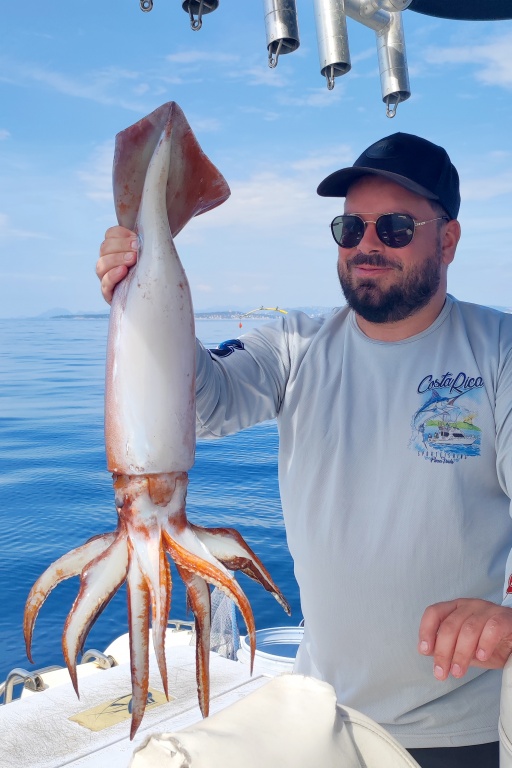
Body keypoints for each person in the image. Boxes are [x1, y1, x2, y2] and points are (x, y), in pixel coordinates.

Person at [96, 132, 512, 768]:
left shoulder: (499, 351)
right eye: (350, 226)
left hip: (464, 731)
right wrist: (136, 290)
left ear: (447, 239)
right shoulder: (295, 347)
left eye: (396, 227)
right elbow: (201, 403)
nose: (367, 244)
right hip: (325, 717)